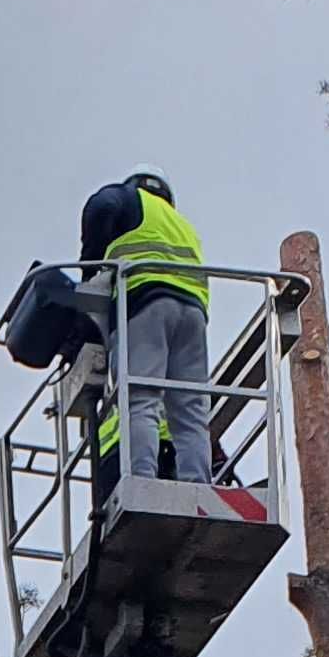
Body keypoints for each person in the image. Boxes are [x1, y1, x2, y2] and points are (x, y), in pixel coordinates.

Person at [79, 171, 211, 487]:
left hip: (145, 302)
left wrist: (89, 264)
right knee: (191, 412)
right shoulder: (183, 226)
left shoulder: (131, 198)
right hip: (193, 312)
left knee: (140, 398)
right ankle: (198, 486)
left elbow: (101, 205)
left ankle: (140, 481)